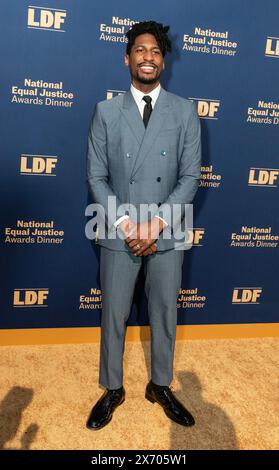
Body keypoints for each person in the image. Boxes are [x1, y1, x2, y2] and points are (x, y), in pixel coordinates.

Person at [86, 20, 201, 430]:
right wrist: (126, 224)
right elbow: (97, 177)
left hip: (166, 233)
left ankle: (161, 384)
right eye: (140, 50)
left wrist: (154, 226)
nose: (147, 57)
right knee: (113, 314)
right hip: (119, 232)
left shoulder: (185, 111)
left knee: (164, 312)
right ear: (127, 58)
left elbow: (190, 177)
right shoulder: (105, 112)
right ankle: (112, 388)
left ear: (163, 62)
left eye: (155, 51)